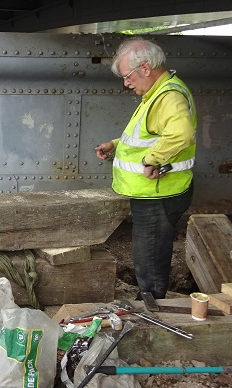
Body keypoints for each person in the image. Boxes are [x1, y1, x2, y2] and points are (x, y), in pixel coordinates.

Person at [95, 37, 197, 300]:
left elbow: (180, 134)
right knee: (148, 252)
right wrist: (116, 145)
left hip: (159, 193)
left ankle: (151, 309)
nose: (126, 83)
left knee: (149, 256)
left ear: (145, 68)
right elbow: (152, 135)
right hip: (153, 192)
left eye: (128, 76)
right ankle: (150, 300)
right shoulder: (156, 93)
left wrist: (153, 160)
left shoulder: (168, 96)